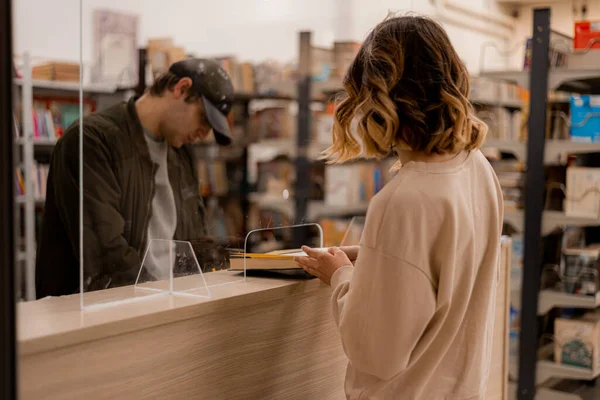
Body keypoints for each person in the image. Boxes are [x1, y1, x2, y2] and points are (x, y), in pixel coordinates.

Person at [295, 15, 503, 400]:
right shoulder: (477, 167)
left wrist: (340, 276)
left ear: (379, 99)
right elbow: (447, 270)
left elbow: (376, 352)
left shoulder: (404, 199)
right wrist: (374, 257)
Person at [36, 58, 235, 298]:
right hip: (108, 314)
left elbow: (195, 239)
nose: (204, 134)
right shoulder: (91, 141)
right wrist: (160, 301)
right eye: (204, 119)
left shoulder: (180, 153)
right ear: (181, 89)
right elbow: (105, 256)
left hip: (169, 306)